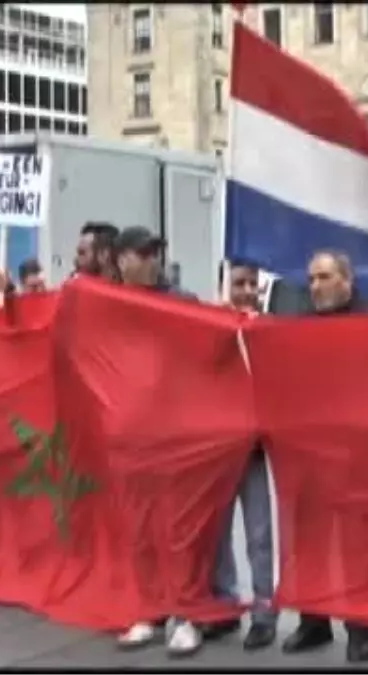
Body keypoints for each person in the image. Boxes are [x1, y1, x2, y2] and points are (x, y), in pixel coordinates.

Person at [275, 250, 368, 663]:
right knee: (310, 544)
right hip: (309, 456)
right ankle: (313, 622)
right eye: (311, 278)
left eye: (324, 277)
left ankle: (360, 628)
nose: (316, 286)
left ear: (348, 280)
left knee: (359, 548)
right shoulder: (299, 328)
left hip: (359, 456)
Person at [113, 226, 212, 658]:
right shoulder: (105, 303)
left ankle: (186, 614)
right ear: (122, 261)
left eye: (156, 252)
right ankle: (149, 609)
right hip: (128, 432)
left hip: (173, 432)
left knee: (179, 528)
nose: (153, 260)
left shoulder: (181, 302)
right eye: (144, 253)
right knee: (139, 528)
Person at [211, 260, 279, 652]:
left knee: (258, 533)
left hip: (253, 446)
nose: (247, 290)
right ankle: (225, 603)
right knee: (218, 533)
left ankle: (265, 613)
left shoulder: (269, 327)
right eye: (239, 283)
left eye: (253, 283)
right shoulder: (208, 324)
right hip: (218, 445)